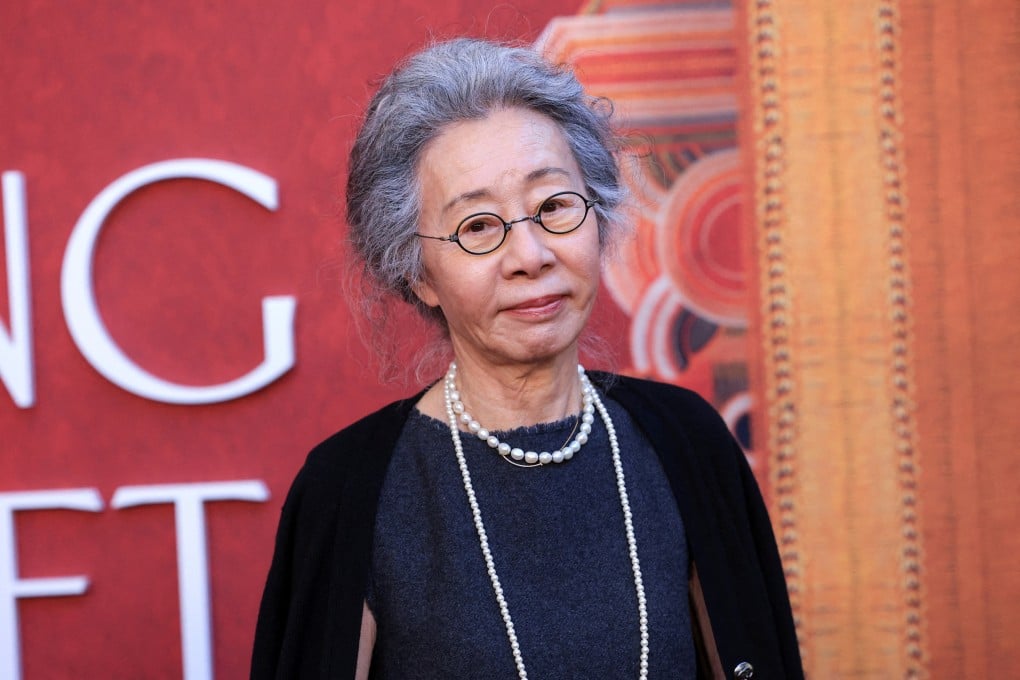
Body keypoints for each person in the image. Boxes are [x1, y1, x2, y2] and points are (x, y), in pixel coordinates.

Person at [251, 38, 803, 680]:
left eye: (554, 207)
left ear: (598, 218)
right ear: (418, 273)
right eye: (478, 226)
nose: (531, 255)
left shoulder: (686, 442)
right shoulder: (350, 489)